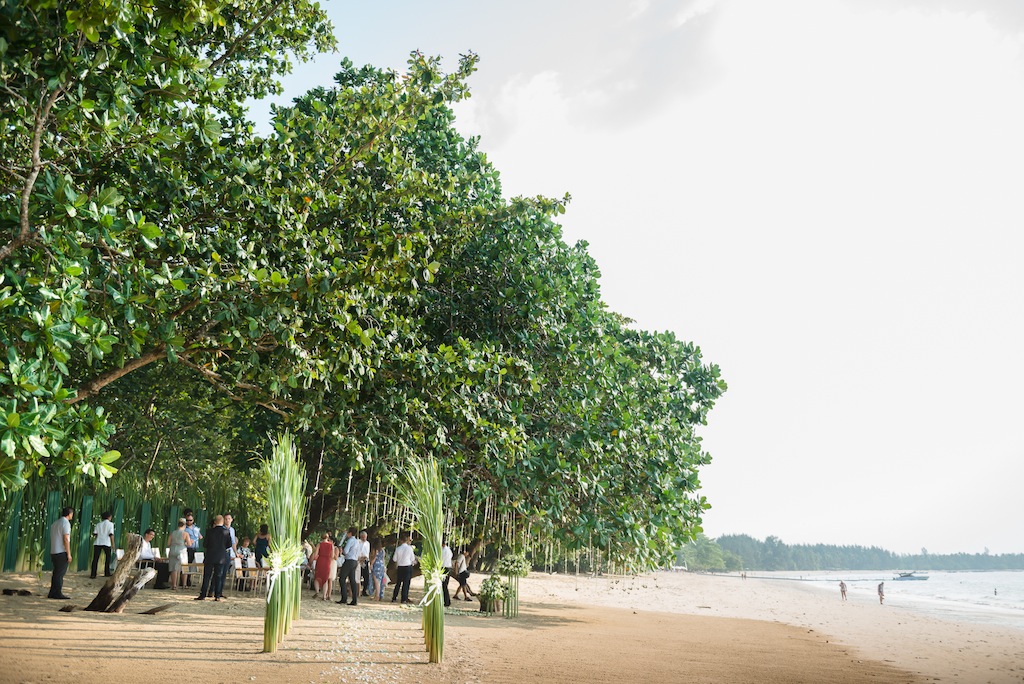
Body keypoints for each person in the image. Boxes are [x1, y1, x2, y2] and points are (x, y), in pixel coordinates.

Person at [195, 515, 231, 602]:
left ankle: (203, 594)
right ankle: (217, 595)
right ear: (222, 522)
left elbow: (205, 544)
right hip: (221, 557)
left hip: (210, 556)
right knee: (218, 576)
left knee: (207, 576)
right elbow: (229, 544)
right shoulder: (226, 532)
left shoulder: (210, 531)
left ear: (215, 522)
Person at [48, 507, 74, 599]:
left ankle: (52, 591)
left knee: (56, 573)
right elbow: (66, 539)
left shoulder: (55, 523)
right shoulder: (65, 523)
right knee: (60, 574)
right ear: (69, 514)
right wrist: (69, 553)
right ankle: (57, 592)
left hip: (54, 551)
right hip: (61, 551)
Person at [337, 527, 361, 606]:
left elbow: (346, 551)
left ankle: (344, 597)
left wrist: (342, 549)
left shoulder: (350, 540)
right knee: (352, 580)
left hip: (349, 560)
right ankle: (354, 599)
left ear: (350, 533)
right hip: (355, 561)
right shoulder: (357, 541)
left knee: (342, 578)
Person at [391, 534, 417, 604]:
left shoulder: (398, 549)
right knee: (406, 583)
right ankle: (404, 598)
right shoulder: (409, 548)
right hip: (407, 566)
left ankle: (394, 597)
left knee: (398, 582)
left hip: (400, 567)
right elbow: (412, 558)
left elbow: (394, 559)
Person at [90, 511, 115, 579]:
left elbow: (95, 534)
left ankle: (93, 574)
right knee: (108, 558)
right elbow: (111, 534)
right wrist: (113, 544)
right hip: (106, 543)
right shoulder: (111, 524)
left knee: (95, 558)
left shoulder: (98, 524)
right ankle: (107, 572)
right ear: (109, 517)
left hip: (98, 542)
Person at [311, 533, 336, 600]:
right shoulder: (331, 545)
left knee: (317, 577)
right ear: (328, 538)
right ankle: (324, 596)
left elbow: (316, 554)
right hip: (327, 561)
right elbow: (332, 556)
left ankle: (317, 591)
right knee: (325, 578)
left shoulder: (319, 544)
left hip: (320, 560)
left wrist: (315, 558)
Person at [167, 518, 190, 590]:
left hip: (173, 550)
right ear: (185, 525)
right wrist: (187, 542)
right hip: (182, 550)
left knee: (174, 568)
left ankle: (174, 585)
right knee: (184, 567)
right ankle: (184, 584)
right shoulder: (185, 533)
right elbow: (189, 544)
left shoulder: (173, 533)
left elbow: (168, 543)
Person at [441, 539, 453, 607]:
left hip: (444, 568)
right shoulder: (448, 549)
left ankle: (447, 601)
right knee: (444, 585)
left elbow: (441, 558)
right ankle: (445, 601)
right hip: (448, 567)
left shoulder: (444, 550)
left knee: (444, 585)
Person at [359, 530, 371, 597]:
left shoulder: (367, 543)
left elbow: (367, 552)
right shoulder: (358, 542)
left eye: (365, 537)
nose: (364, 538)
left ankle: (364, 590)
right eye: (363, 537)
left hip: (365, 560)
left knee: (366, 577)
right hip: (359, 559)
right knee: (358, 575)